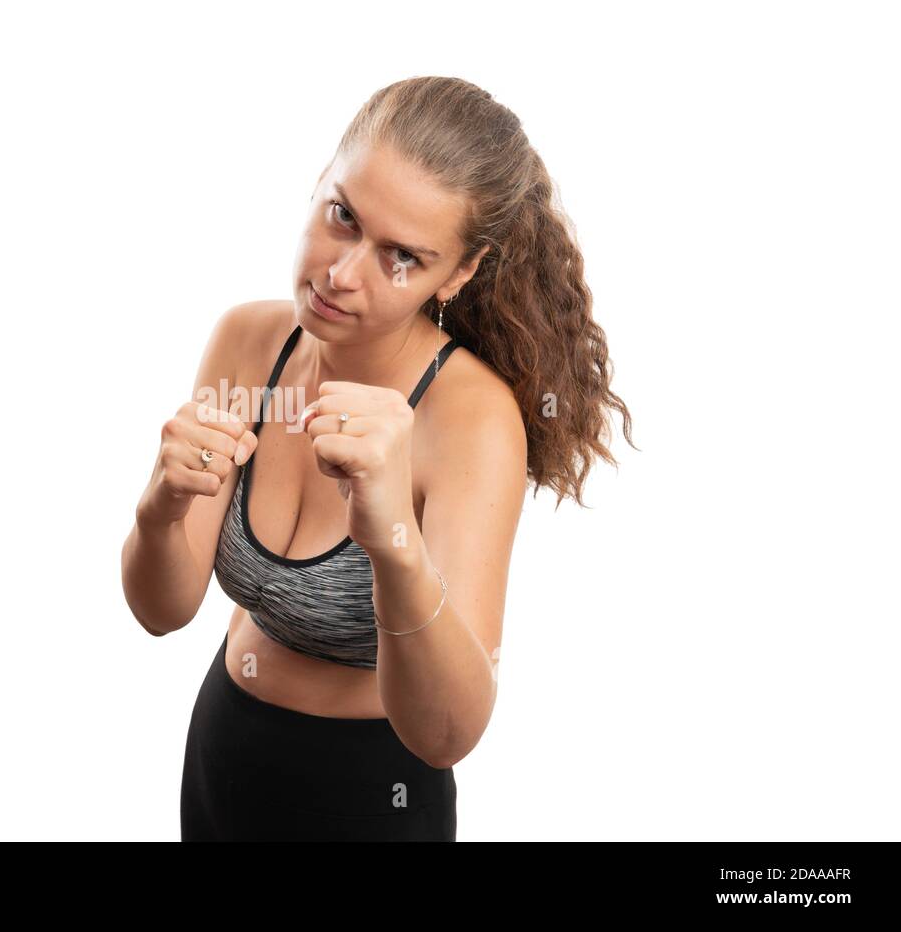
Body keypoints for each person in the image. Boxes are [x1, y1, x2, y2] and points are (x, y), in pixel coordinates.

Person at [120, 76, 635, 841]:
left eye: (401, 256)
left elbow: (447, 732)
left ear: (457, 275)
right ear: (323, 179)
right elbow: (163, 610)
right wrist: (158, 509)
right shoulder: (247, 341)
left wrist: (393, 539)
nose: (341, 273)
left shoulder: (472, 418)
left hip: (375, 797)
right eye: (343, 217)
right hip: (223, 757)